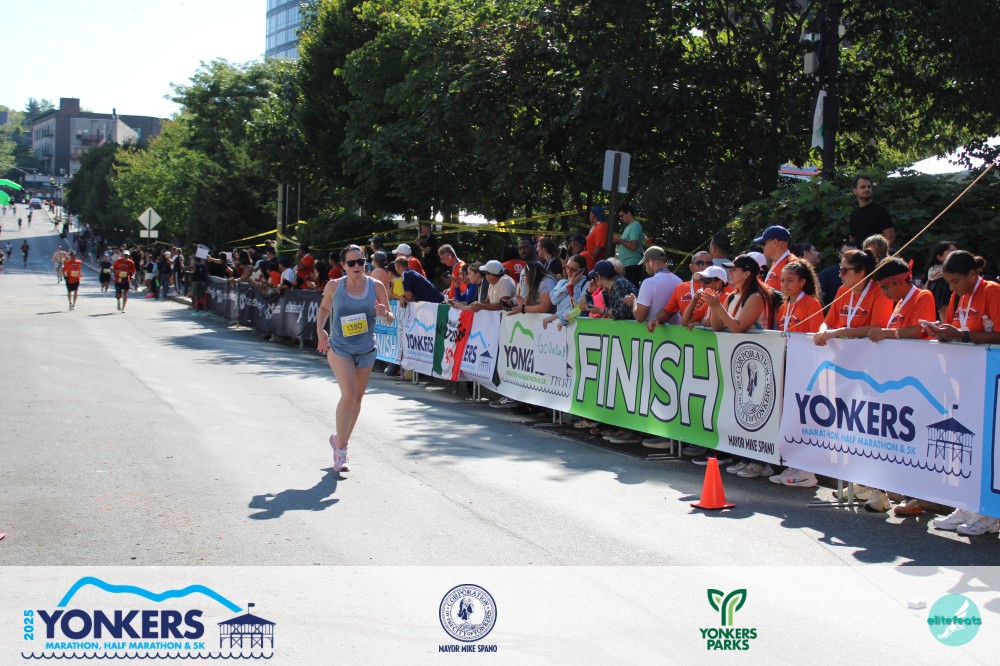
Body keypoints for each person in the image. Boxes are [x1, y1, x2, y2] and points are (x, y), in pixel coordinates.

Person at [316, 244, 394, 473]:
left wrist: (384, 313)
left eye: (360, 262)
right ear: (343, 266)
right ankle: (341, 451)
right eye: (351, 263)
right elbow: (324, 308)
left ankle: (339, 440)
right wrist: (320, 331)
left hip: (366, 349)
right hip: (340, 348)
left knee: (357, 400)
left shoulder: (376, 286)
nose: (357, 266)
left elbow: (390, 318)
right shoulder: (334, 285)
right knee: (349, 395)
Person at [813, 249, 893, 345]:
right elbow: (828, 323)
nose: (840, 275)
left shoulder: (880, 291)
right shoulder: (842, 290)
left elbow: (877, 328)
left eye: (844, 271)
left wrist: (839, 332)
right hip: (848, 347)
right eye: (840, 270)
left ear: (861, 272)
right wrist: (822, 332)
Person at [924, 251, 1000, 345]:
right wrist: (940, 332)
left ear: (972, 275)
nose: (951, 288)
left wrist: (963, 336)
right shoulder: (956, 295)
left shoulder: (993, 291)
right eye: (948, 282)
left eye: (955, 281)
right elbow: (952, 333)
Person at [866, 258, 937, 343]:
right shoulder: (900, 302)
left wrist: (885, 333)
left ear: (900, 282)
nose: (884, 294)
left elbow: (917, 331)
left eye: (886, 288)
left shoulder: (923, 296)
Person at [652, 251, 714, 329]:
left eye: (709, 264)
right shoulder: (681, 288)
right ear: (691, 267)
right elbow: (668, 312)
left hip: (714, 334)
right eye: (700, 263)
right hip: (687, 334)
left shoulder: (719, 287)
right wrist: (656, 319)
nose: (704, 267)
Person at [624, 246, 681, 327]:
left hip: (654, 331)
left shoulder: (648, 283)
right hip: (677, 331)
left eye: (645, 263)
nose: (645, 268)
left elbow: (640, 317)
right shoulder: (679, 281)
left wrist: (633, 302)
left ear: (651, 261)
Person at [774, 260, 823, 333]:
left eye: (790, 280)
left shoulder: (812, 304)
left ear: (802, 282)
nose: (784, 285)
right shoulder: (783, 307)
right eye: (782, 281)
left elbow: (815, 335)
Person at [543, 255, 590, 329]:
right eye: (567, 267)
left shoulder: (587, 285)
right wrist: (569, 285)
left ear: (581, 271)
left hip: (575, 327)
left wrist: (556, 316)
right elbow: (553, 300)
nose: (568, 271)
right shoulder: (562, 282)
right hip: (560, 327)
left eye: (572, 269)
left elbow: (578, 307)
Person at [849, 175, 895, 246]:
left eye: (869, 187)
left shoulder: (881, 211)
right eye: (863, 187)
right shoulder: (854, 215)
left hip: (878, 252)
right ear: (855, 191)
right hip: (859, 253)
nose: (867, 189)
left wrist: (879, 252)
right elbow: (853, 240)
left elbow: (890, 238)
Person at [756, 225, 797, 292]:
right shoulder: (777, 262)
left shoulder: (792, 264)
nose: (761, 247)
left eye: (763, 243)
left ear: (774, 242)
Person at [924, 240, 957, 322]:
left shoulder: (932, 276)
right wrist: (946, 326)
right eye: (952, 252)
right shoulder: (945, 278)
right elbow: (943, 309)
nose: (957, 256)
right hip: (944, 324)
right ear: (939, 257)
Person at [817, 241, 857, 308]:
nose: (849, 258)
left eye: (853, 255)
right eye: (846, 254)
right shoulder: (826, 274)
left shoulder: (862, 275)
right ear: (839, 254)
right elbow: (818, 299)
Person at [613, 203, 644, 286]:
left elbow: (633, 246)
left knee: (631, 289)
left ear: (629, 213)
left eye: (622, 216)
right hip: (627, 264)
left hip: (632, 264)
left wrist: (619, 240)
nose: (620, 218)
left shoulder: (635, 226)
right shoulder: (629, 226)